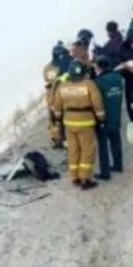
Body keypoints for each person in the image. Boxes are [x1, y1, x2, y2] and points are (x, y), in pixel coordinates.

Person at [50, 59, 106, 189]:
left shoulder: (63, 86)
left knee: (73, 149)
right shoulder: (89, 84)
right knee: (87, 150)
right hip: (86, 122)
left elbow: (56, 106)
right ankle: (85, 179)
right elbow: (98, 103)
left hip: (69, 123)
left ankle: (74, 177)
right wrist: (101, 118)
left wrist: (58, 118)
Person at [93, 56, 124, 180]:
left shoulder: (98, 82)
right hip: (116, 115)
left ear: (100, 68)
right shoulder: (118, 78)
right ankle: (118, 165)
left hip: (104, 118)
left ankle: (105, 173)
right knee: (116, 141)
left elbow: (97, 101)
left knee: (103, 146)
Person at [43, 62, 65, 149]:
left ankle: (57, 138)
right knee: (56, 118)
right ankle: (59, 138)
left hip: (51, 93)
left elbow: (46, 78)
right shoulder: (58, 67)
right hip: (56, 93)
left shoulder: (47, 68)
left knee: (53, 118)